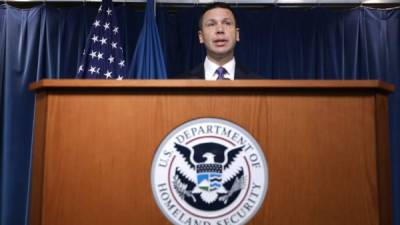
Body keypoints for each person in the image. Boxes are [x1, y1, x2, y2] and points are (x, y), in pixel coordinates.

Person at [173, 2, 262, 80]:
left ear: (237, 34)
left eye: (227, 23)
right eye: (211, 24)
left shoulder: (259, 85)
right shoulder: (181, 84)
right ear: (201, 37)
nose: (220, 30)